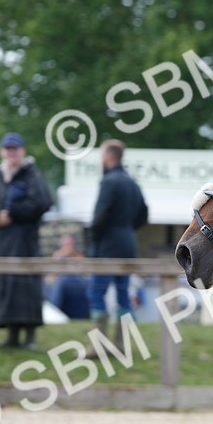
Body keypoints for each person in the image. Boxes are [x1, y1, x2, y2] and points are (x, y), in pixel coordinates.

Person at [0, 132, 53, 349]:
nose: (12, 153)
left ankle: (29, 336)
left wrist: (12, 213)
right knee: (4, 286)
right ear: (3, 152)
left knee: (25, 287)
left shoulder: (31, 175)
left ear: (22, 151)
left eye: (15, 149)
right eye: (8, 149)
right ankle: (11, 335)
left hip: (24, 241)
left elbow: (41, 202)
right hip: (0, 242)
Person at [86, 140, 148, 344]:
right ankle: (121, 346)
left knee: (97, 293)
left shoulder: (109, 182)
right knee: (123, 295)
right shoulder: (132, 182)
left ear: (108, 157)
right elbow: (144, 215)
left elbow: (100, 216)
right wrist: (126, 229)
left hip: (107, 246)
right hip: (128, 243)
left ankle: (98, 347)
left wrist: (92, 238)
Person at [48, 233, 90, 320]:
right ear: (60, 245)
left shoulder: (79, 257)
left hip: (77, 291)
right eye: (65, 244)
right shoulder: (56, 257)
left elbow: (86, 275)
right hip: (62, 291)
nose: (67, 247)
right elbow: (50, 279)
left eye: (69, 244)